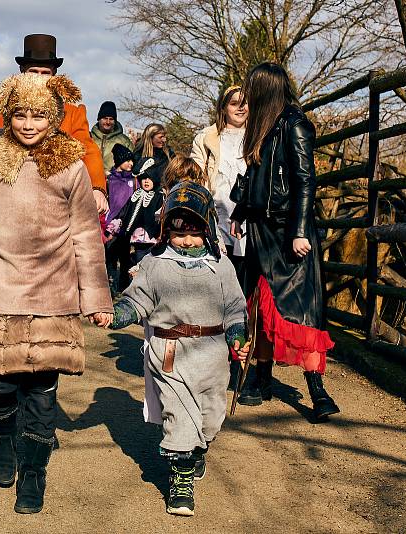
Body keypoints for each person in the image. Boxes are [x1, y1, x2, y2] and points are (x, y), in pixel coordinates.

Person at [0, 73, 113, 515]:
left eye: (38, 114)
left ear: (53, 116)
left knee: (41, 391)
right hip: (2, 293)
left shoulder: (70, 165)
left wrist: (96, 298)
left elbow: (87, 236)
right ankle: (1, 438)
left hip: (54, 294)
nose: (29, 123)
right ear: (7, 114)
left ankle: (34, 472)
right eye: (20, 114)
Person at [108, 181, 249, 517]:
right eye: (178, 233)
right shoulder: (155, 265)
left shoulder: (222, 266)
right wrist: (115, 315)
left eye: (194, 233)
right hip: (170, 351)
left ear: (209, 230)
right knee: (180, 418)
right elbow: (136, 300)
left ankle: (197, 450)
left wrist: (238, 337)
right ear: (166, 231)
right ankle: (180, 481)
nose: (186, 240)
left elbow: (235, 309)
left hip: (213, 354)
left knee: (210, 418)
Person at [229, 62, 339, 420]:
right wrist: (240, 213)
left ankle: (317, 391)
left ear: (265, 89)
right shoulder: (262, 127)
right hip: (262, 231)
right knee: (261, 308)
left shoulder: (295, 125)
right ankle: (261, 379)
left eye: (251, 89)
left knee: (302, 312)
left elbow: (306, 182)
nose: (246, 98)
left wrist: (300, 231)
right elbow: (255, 177)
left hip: (289, 233)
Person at [0, 34, 109, 214]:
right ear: (22, 71)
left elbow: (88, 150)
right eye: (33, 71)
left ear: (54, 76)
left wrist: (97, 188)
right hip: (5, 204)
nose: (39, 78)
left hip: (53, 205)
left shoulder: (72, 113)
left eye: (45, 73)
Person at [191, 85, 248, 274]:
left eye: (244, 103)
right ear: (223, 108)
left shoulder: (258, 137)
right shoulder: (207, 137)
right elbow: (195, 173)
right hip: (218, 212)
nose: (240, 108)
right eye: (234, 104)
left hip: (247, 212)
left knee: (246, 270)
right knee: (220, 268)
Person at [105, 171, 164, 266]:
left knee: (151, 264)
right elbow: (124, 212)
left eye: (150, 179)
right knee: (136, 262)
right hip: (136, 239)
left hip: (152, 237)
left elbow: (160, 216)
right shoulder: (135, 195)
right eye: (144, 179)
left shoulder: (159, 196)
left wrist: (160, 234)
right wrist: (113, 228)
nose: (146, 181)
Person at [104, 143, 137, 294]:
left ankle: (124, 288)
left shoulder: (134, 181)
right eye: (127, 160)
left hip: (127, 224)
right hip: (110, 225)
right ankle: (110, 287)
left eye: (132, 161)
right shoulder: (109, 180)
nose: (131, 164)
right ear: (118, 162)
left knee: (125, 259)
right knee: (110, 258)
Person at [91, 101, 134, 174]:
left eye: (111, 119)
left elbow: (133, 163)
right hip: (91, 181)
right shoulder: (89, 138)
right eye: (105, 118)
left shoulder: (124, 141)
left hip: (115, 182)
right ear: (99, 119)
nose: (108, 122)